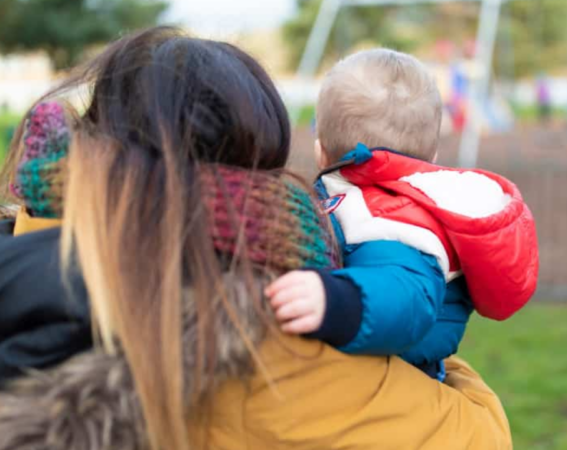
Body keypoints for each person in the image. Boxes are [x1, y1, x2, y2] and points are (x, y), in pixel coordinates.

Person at [0, 27, 512, 450]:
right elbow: (474, 434)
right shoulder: (258, 338)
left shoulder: (21, 244)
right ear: (252, 174)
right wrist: (444, 363)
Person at [268, 49, 539, 381]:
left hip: (398, 380)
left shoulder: (389, 219)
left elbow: (407, 294)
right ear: (432, 155)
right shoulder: (371, 203)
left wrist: (335, 300)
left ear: (320, 152)